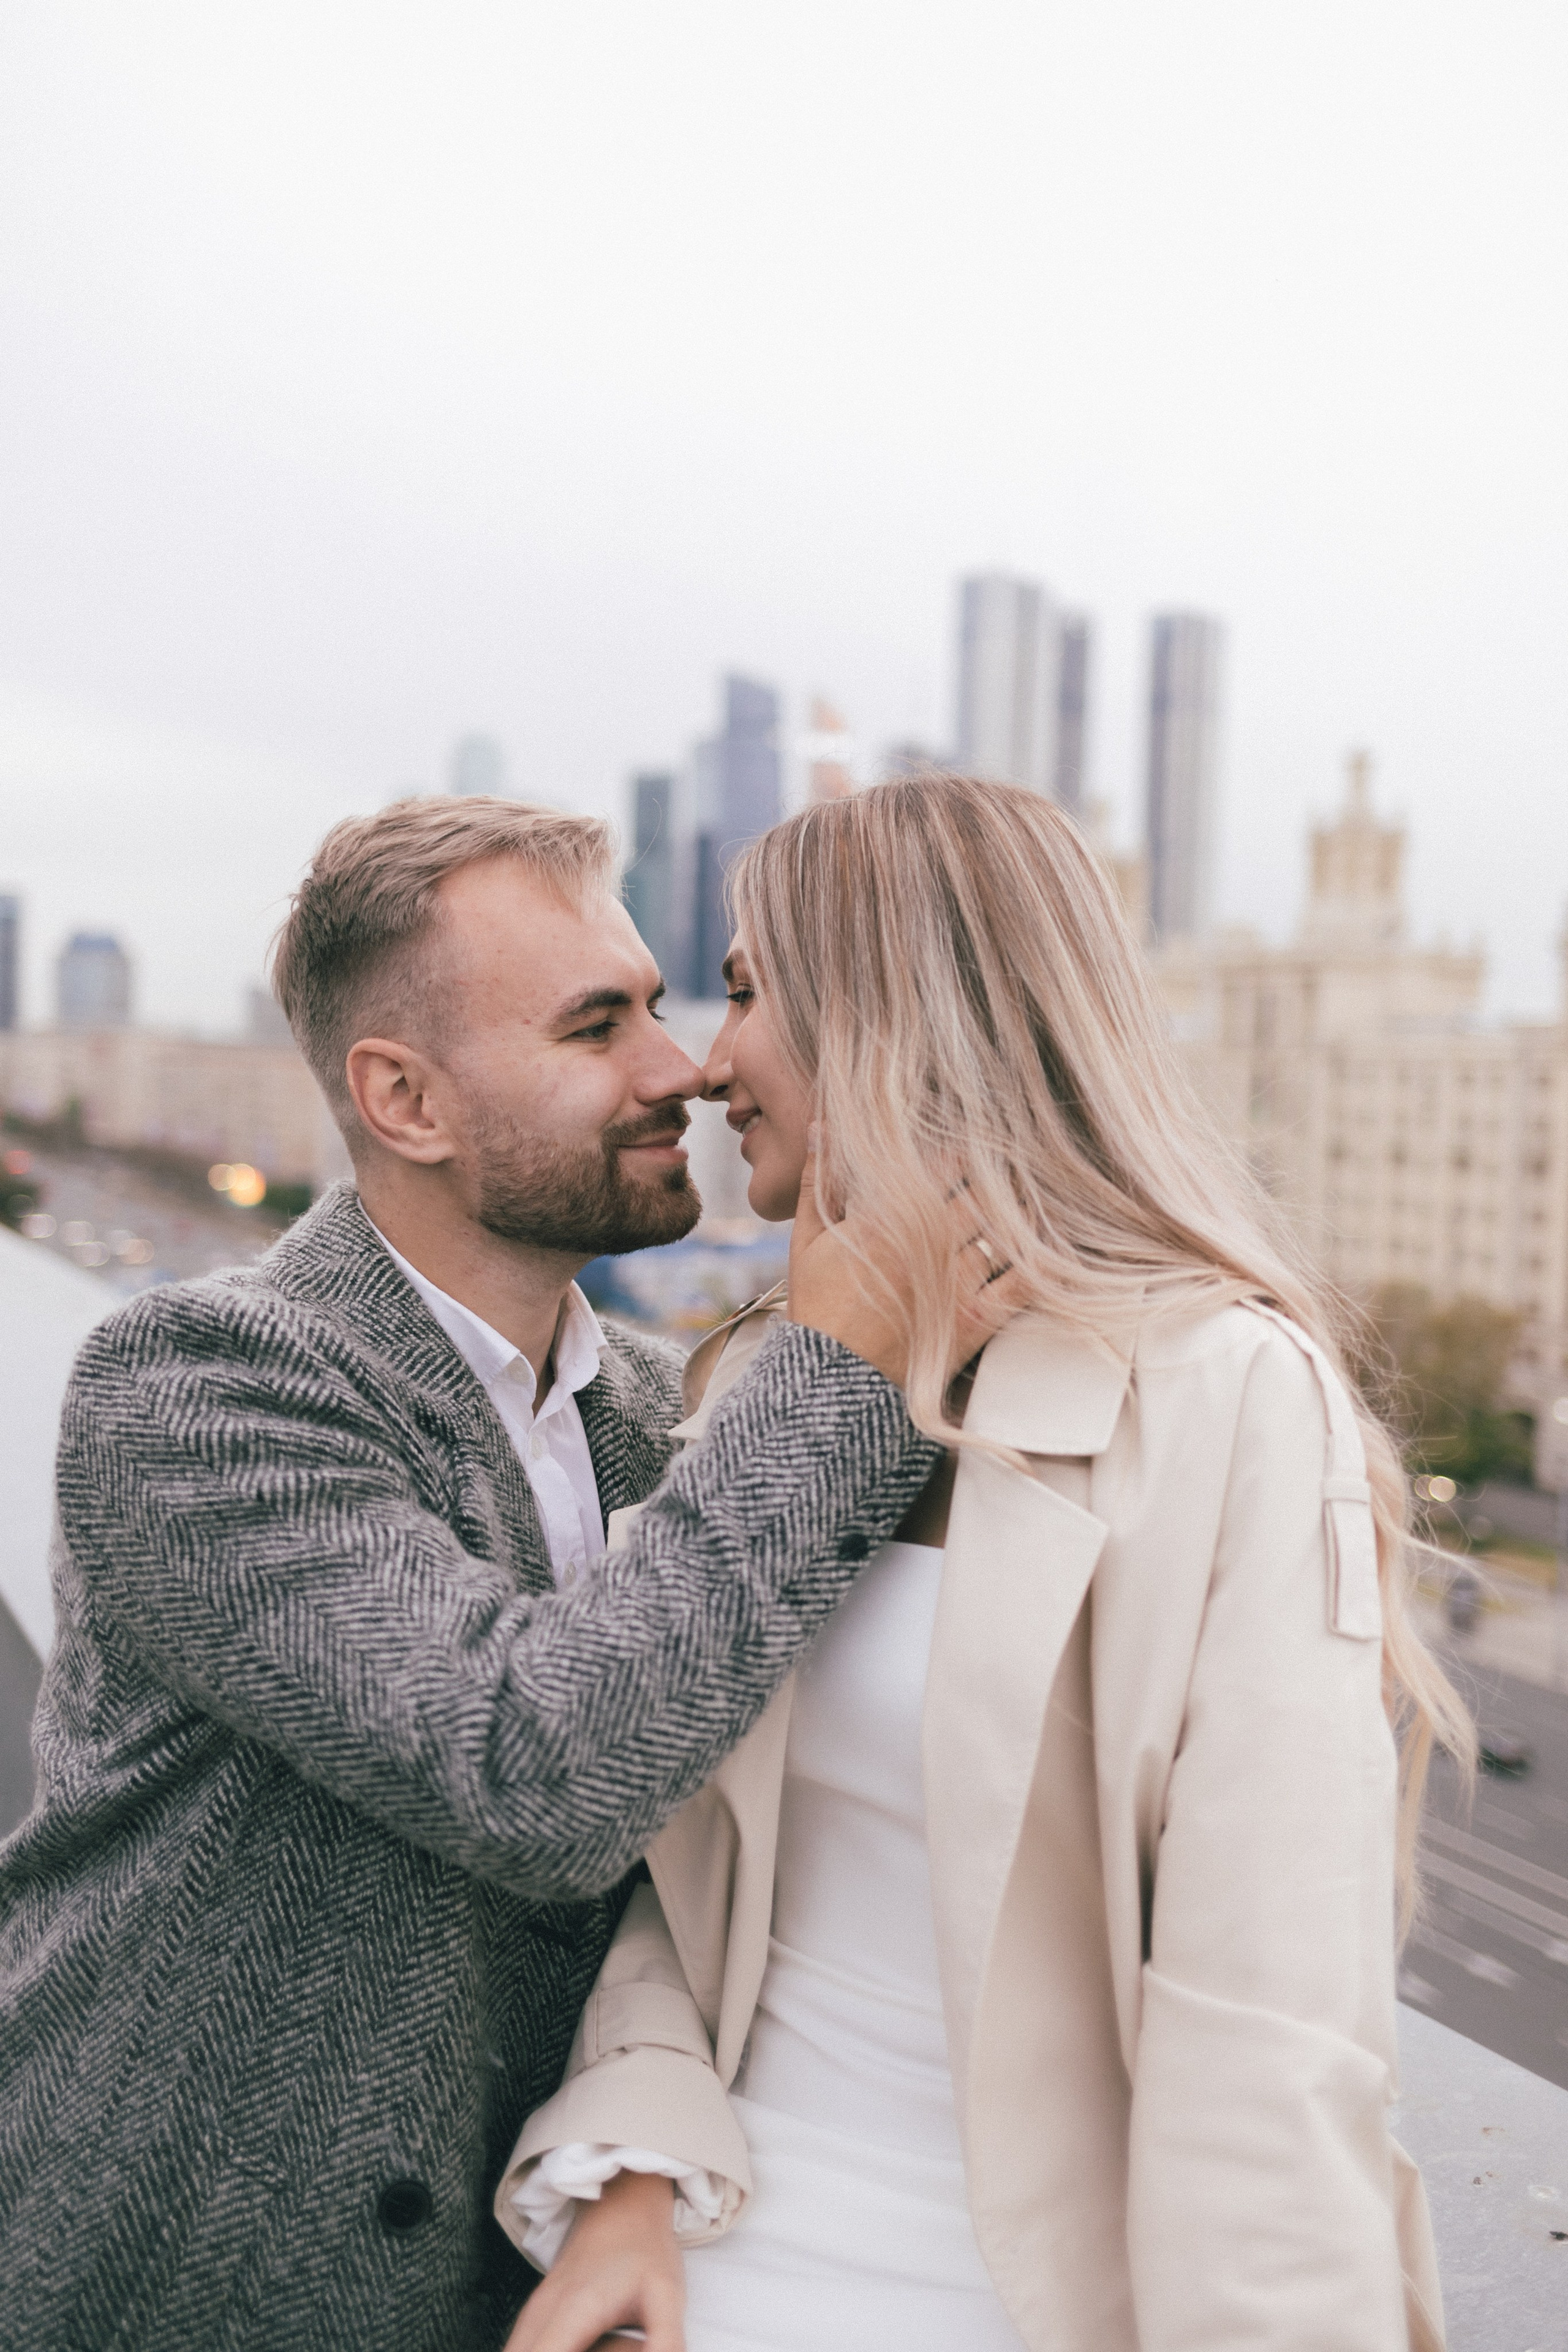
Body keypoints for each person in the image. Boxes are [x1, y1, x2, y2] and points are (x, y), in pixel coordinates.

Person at [0, 796, 1007, 2352]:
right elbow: (531, 1766)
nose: (675, 1067)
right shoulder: (194, 1386)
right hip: (176, 2292)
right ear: (404, 1100)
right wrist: (835, 1361)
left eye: (662, 1006)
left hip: (525, 2290)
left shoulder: (674, 1416)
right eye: (595, 1025)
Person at [497, 774, 1471, 2352]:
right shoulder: (763, 1388)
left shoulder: (1220, 1394)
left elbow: (1268, 2040)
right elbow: (667, 1885)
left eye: (750, 993)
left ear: (901, 1017)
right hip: (701, 2261)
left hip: (1019, 2300)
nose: (705, 1062)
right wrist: (627, 2171)